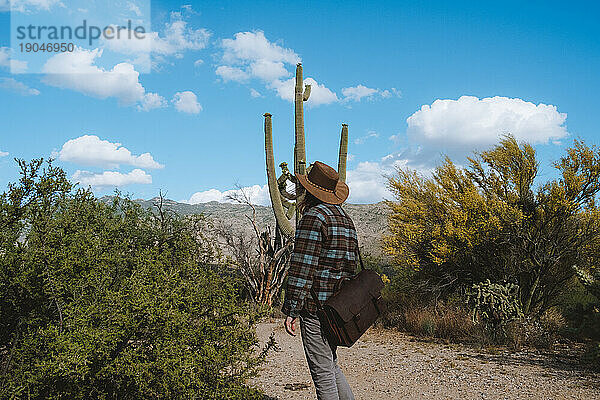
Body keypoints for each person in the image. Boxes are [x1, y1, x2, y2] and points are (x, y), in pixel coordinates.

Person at [281, 161, 357, 400]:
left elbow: (302, 267)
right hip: (340, 307)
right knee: (331, 364)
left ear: (309, 191)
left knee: (323, 372)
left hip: (316, 307)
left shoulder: (313, 217)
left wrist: (292, 309)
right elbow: (351, 266)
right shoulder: (346, 220)